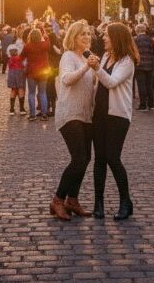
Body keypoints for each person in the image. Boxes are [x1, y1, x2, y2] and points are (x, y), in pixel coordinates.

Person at [87, 22, 138, 221]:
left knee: (112, 157)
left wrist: (97, 68)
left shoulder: (127, 61)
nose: (103, 38)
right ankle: (98, 203)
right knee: (99, 158)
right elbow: (98, 82)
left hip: (117, 115)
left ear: (116, 38)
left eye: (107, 35)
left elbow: (110, 82)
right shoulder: (107, 56)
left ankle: (126, 201)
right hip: (99, 113)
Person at [50, 21, 97, 221]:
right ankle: (58, 199)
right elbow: (67, 79)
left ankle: (72, 199)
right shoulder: (68, 56)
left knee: (85, 158)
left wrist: (97, 69)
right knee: (78, 158)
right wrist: (87, 66)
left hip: (86, 114)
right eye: (82, 35)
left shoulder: (86, 57)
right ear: (73, 37)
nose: (87, 37)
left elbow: (93, 85)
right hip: (70, 113)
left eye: (88, 34)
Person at [22, 29, 50, 121]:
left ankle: (32, 115)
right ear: (40, 36)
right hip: (43, 72)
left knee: (31, 93)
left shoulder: (27, 46)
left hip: (31, 72)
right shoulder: (45, 45)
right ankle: (44, 114)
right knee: (43, 92)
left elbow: (22, 57)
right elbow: (47, 39)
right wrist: (44, 34)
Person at [133, 24, 154, 111]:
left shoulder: (135, 40)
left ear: (137, 31)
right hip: (150, 65)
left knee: (141, 85)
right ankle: (151, 104)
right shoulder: (150, 39)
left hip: (140, 65)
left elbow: (133, 53)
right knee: (149, 85)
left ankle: (143, 105)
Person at [6, 45, 27, 115]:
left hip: (11, 74)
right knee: (20, 89)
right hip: (19, 73)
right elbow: (24, 65)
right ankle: (22, 109)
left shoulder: (10, 59)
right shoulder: (20, 58)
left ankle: (11, 109)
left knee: (13, 90)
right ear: (17, 51)